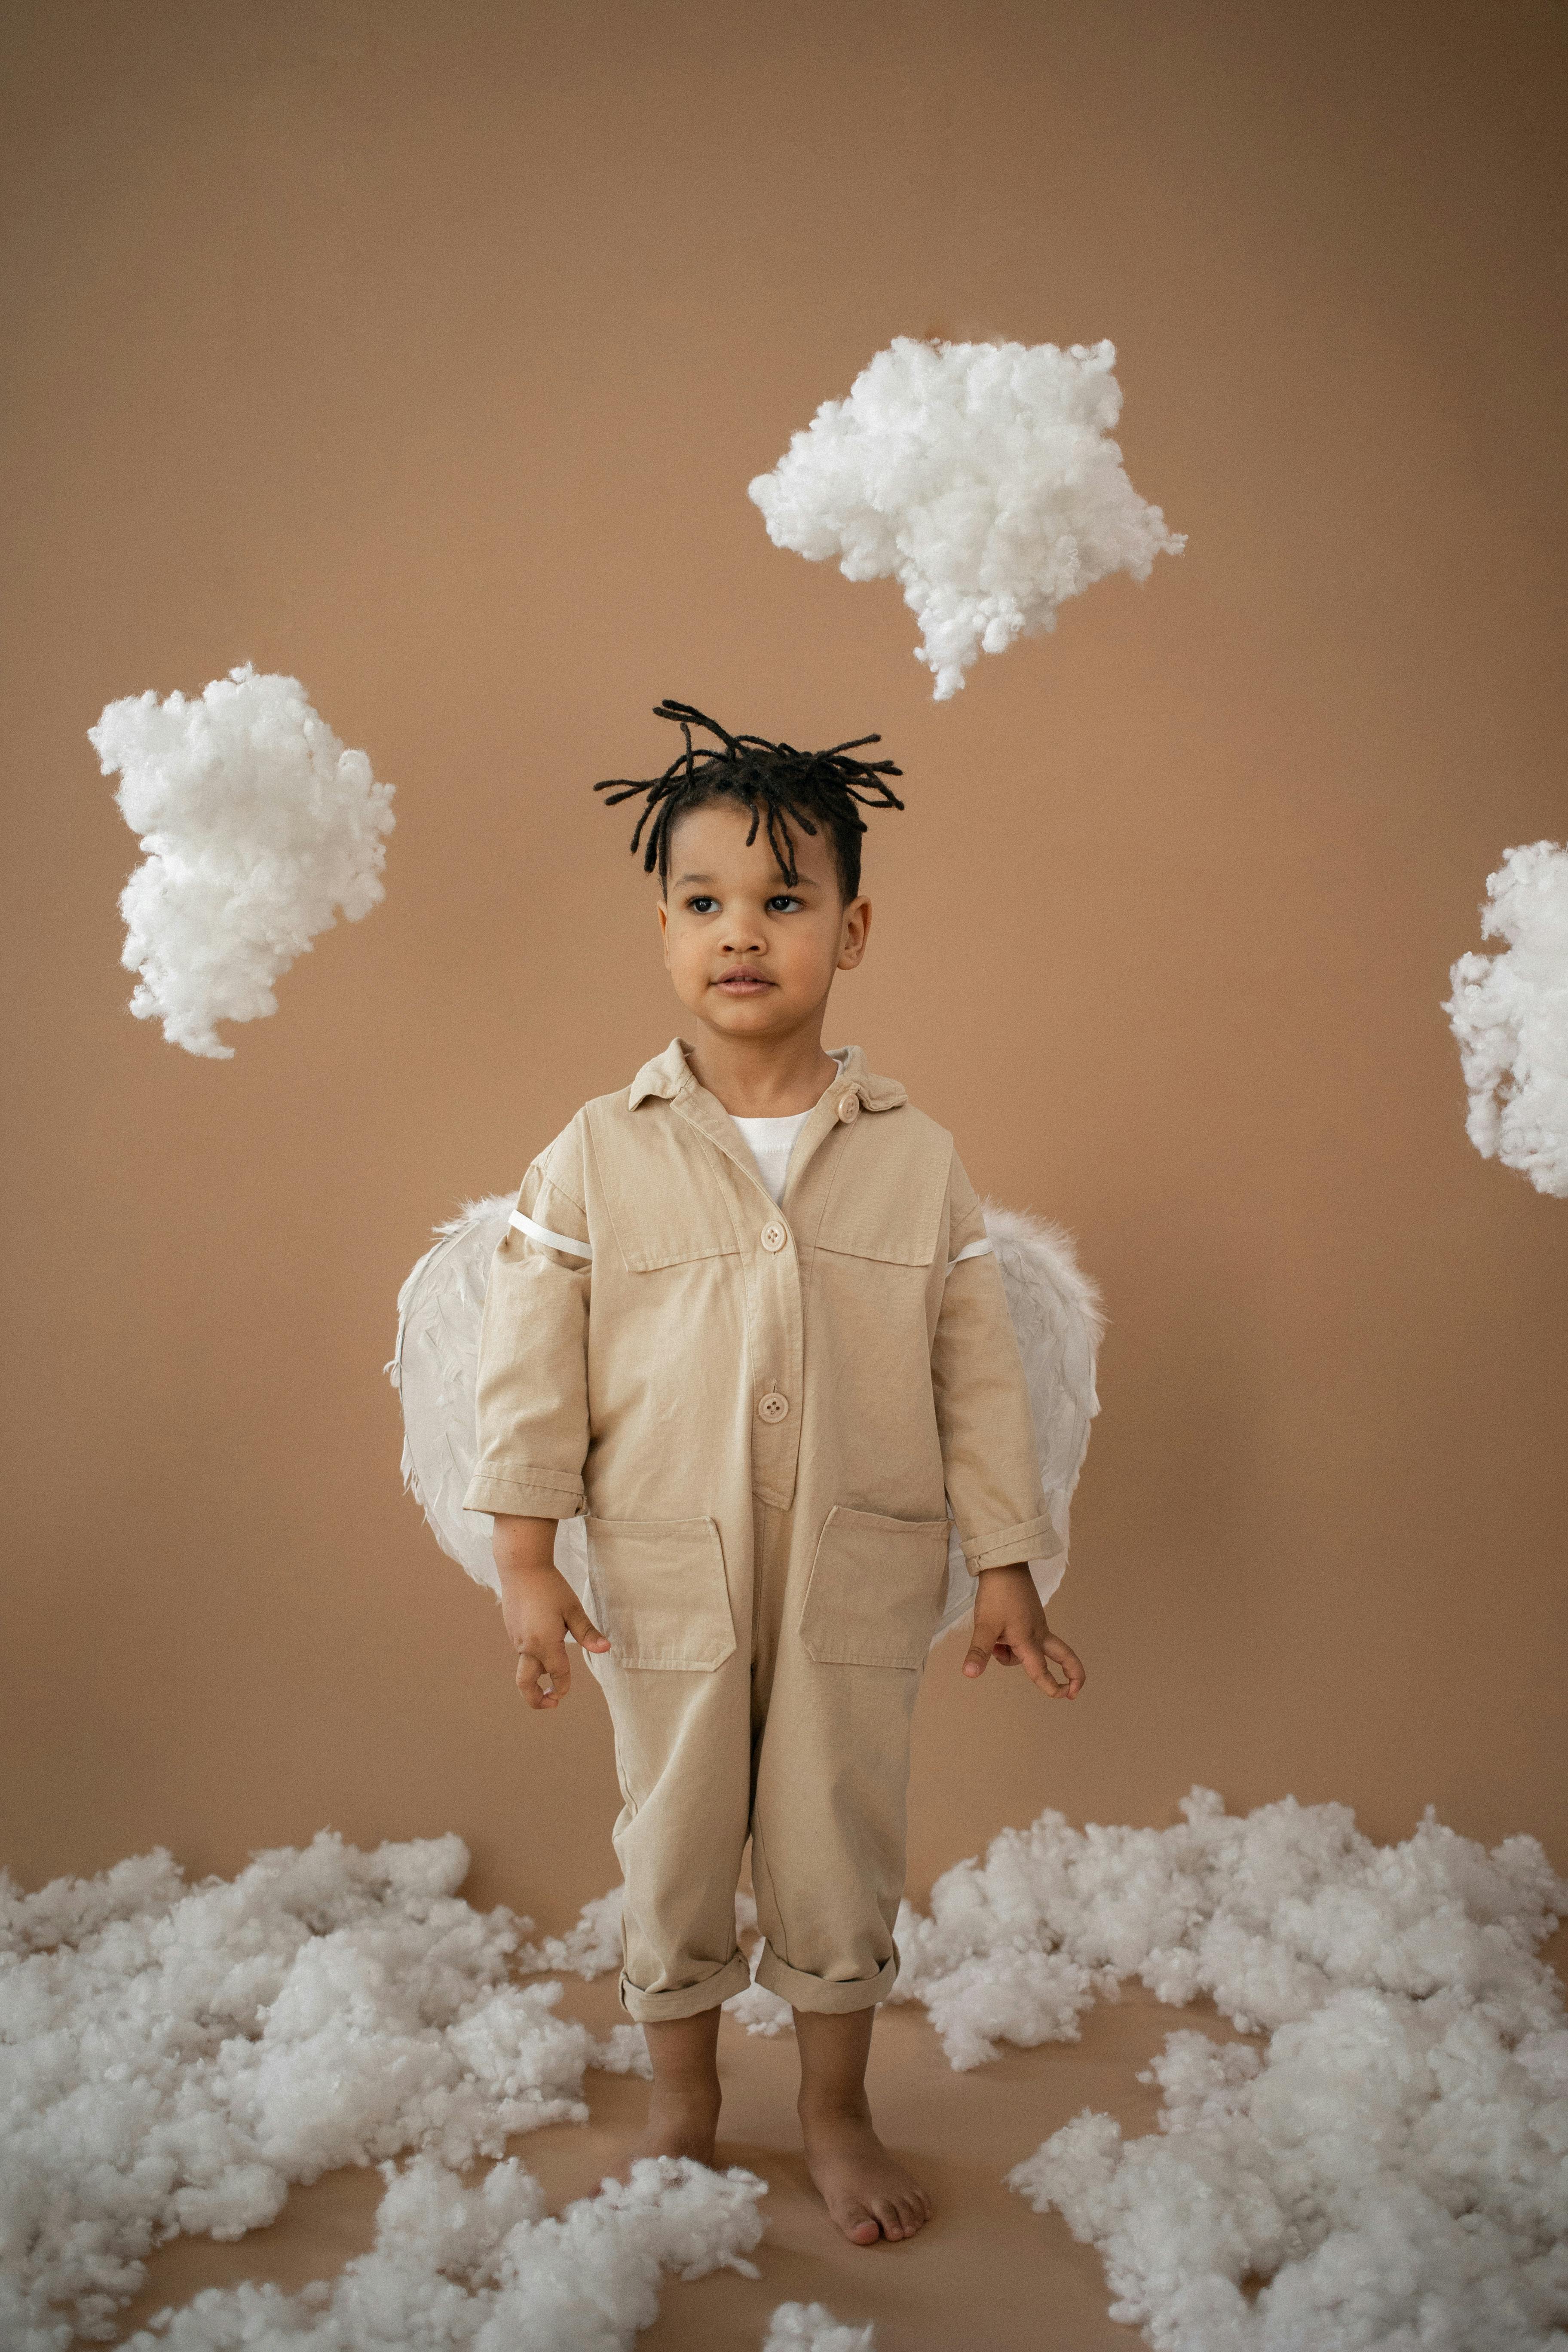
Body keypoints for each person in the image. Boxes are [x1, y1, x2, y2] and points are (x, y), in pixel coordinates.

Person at [462, 699, 1086, 2248]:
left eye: (784, 901)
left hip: (854, 1567)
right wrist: (528, 1558)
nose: (743, 934)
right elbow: (531, 1365)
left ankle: (835, 2109)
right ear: (663, 925)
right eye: (704, 904)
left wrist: (1008, 1562)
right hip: (665, 1566)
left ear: (851, 930)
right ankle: (682, 2100)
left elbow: (976, 1370)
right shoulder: (597, 1153)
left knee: (834, 1839)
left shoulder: (914, 1154)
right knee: (669, 1836)